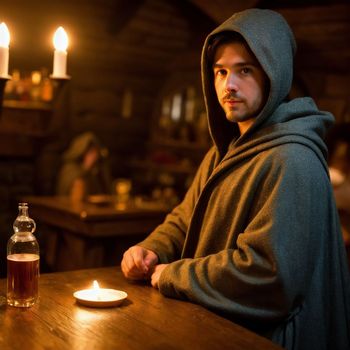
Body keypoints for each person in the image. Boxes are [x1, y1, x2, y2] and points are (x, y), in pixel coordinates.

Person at [121, 9, 350, 349]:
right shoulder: (225, 151)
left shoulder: (292, 159)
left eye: (245, 70)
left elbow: (269, 275)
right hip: (217, 328)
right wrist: (150, 249)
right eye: (221, 71)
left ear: (274, 72)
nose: (229, 85)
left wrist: (175, 275)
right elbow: (185, 219)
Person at [56, 132, 112, 199]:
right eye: (91, 152)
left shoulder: (97, 168)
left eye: (95, 151)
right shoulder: (70, 168)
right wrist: (86, 167)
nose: (95, 155)